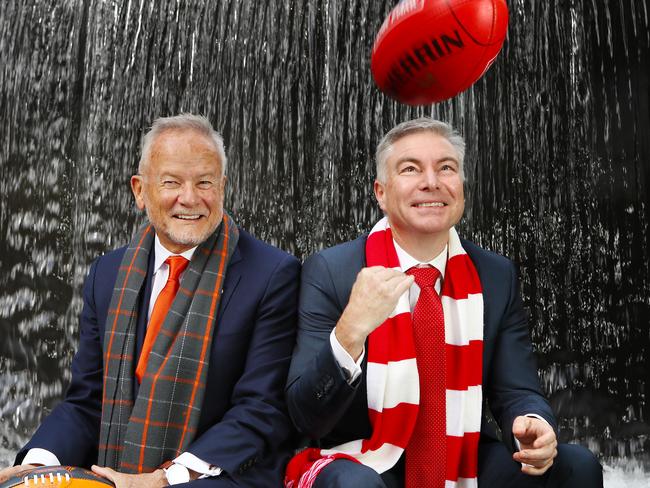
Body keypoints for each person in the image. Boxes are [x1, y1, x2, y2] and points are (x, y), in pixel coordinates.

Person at [284, 118, 602, 488]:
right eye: (410, 169)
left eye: (446, 168)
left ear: (461, 188)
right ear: (381, 192)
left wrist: (533, 423)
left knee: (577, 466)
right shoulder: (332, 272)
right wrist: (351, 330)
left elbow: (517, 391)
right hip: (363, 457)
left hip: (464, 456)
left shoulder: (496, 275)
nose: (431, 182)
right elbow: (305, 417)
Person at [0, 114, 301, 487]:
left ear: (222, 187)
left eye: (204, 182)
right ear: (140, 191)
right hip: (116, 469)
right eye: (172, 182)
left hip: (218, 473)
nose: (190, 198)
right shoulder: (107, 275)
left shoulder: (272, 274)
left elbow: (262, 409)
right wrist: (39, 464)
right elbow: (87, 400)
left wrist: (163, 479)